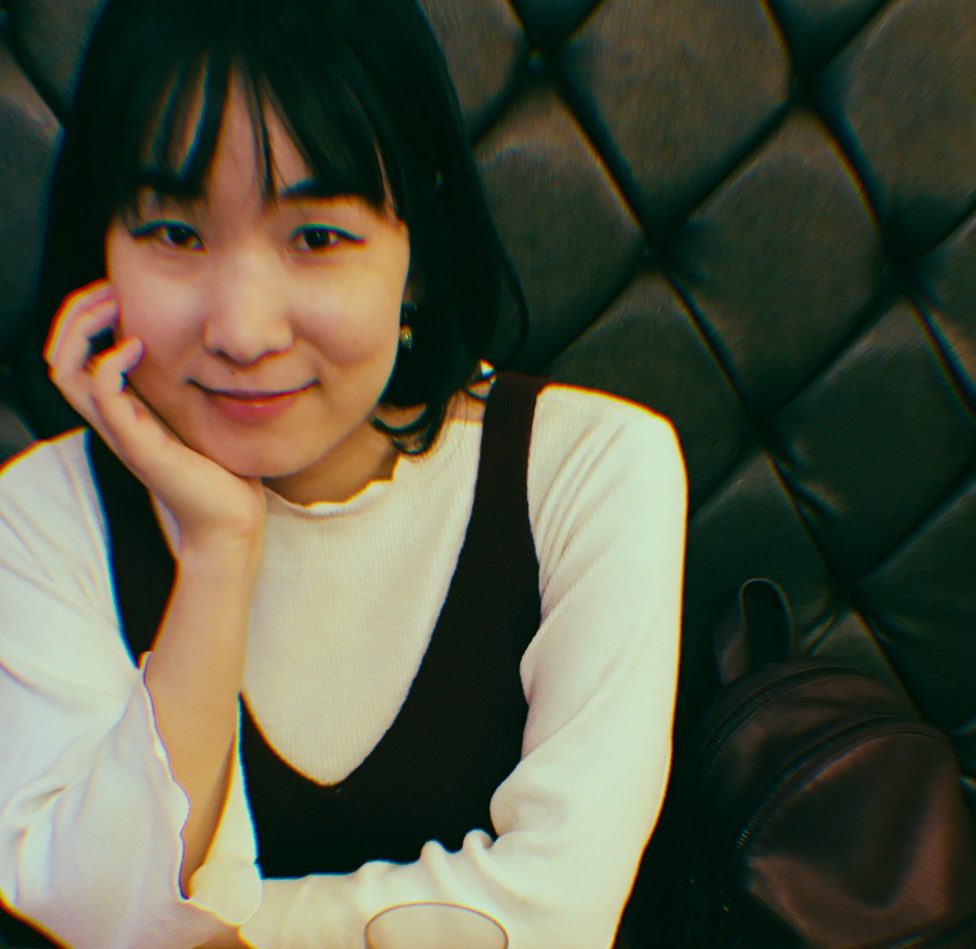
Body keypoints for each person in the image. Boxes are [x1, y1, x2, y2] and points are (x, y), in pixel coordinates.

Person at [0, 1, 687, 946]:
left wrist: (211, 931)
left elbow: (556, 911)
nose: (243, 331)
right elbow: (101, 914)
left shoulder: (590, 468)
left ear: (417, 255)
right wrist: (218, 551)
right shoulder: (39, 517)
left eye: (318, 237)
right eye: (175, 233)